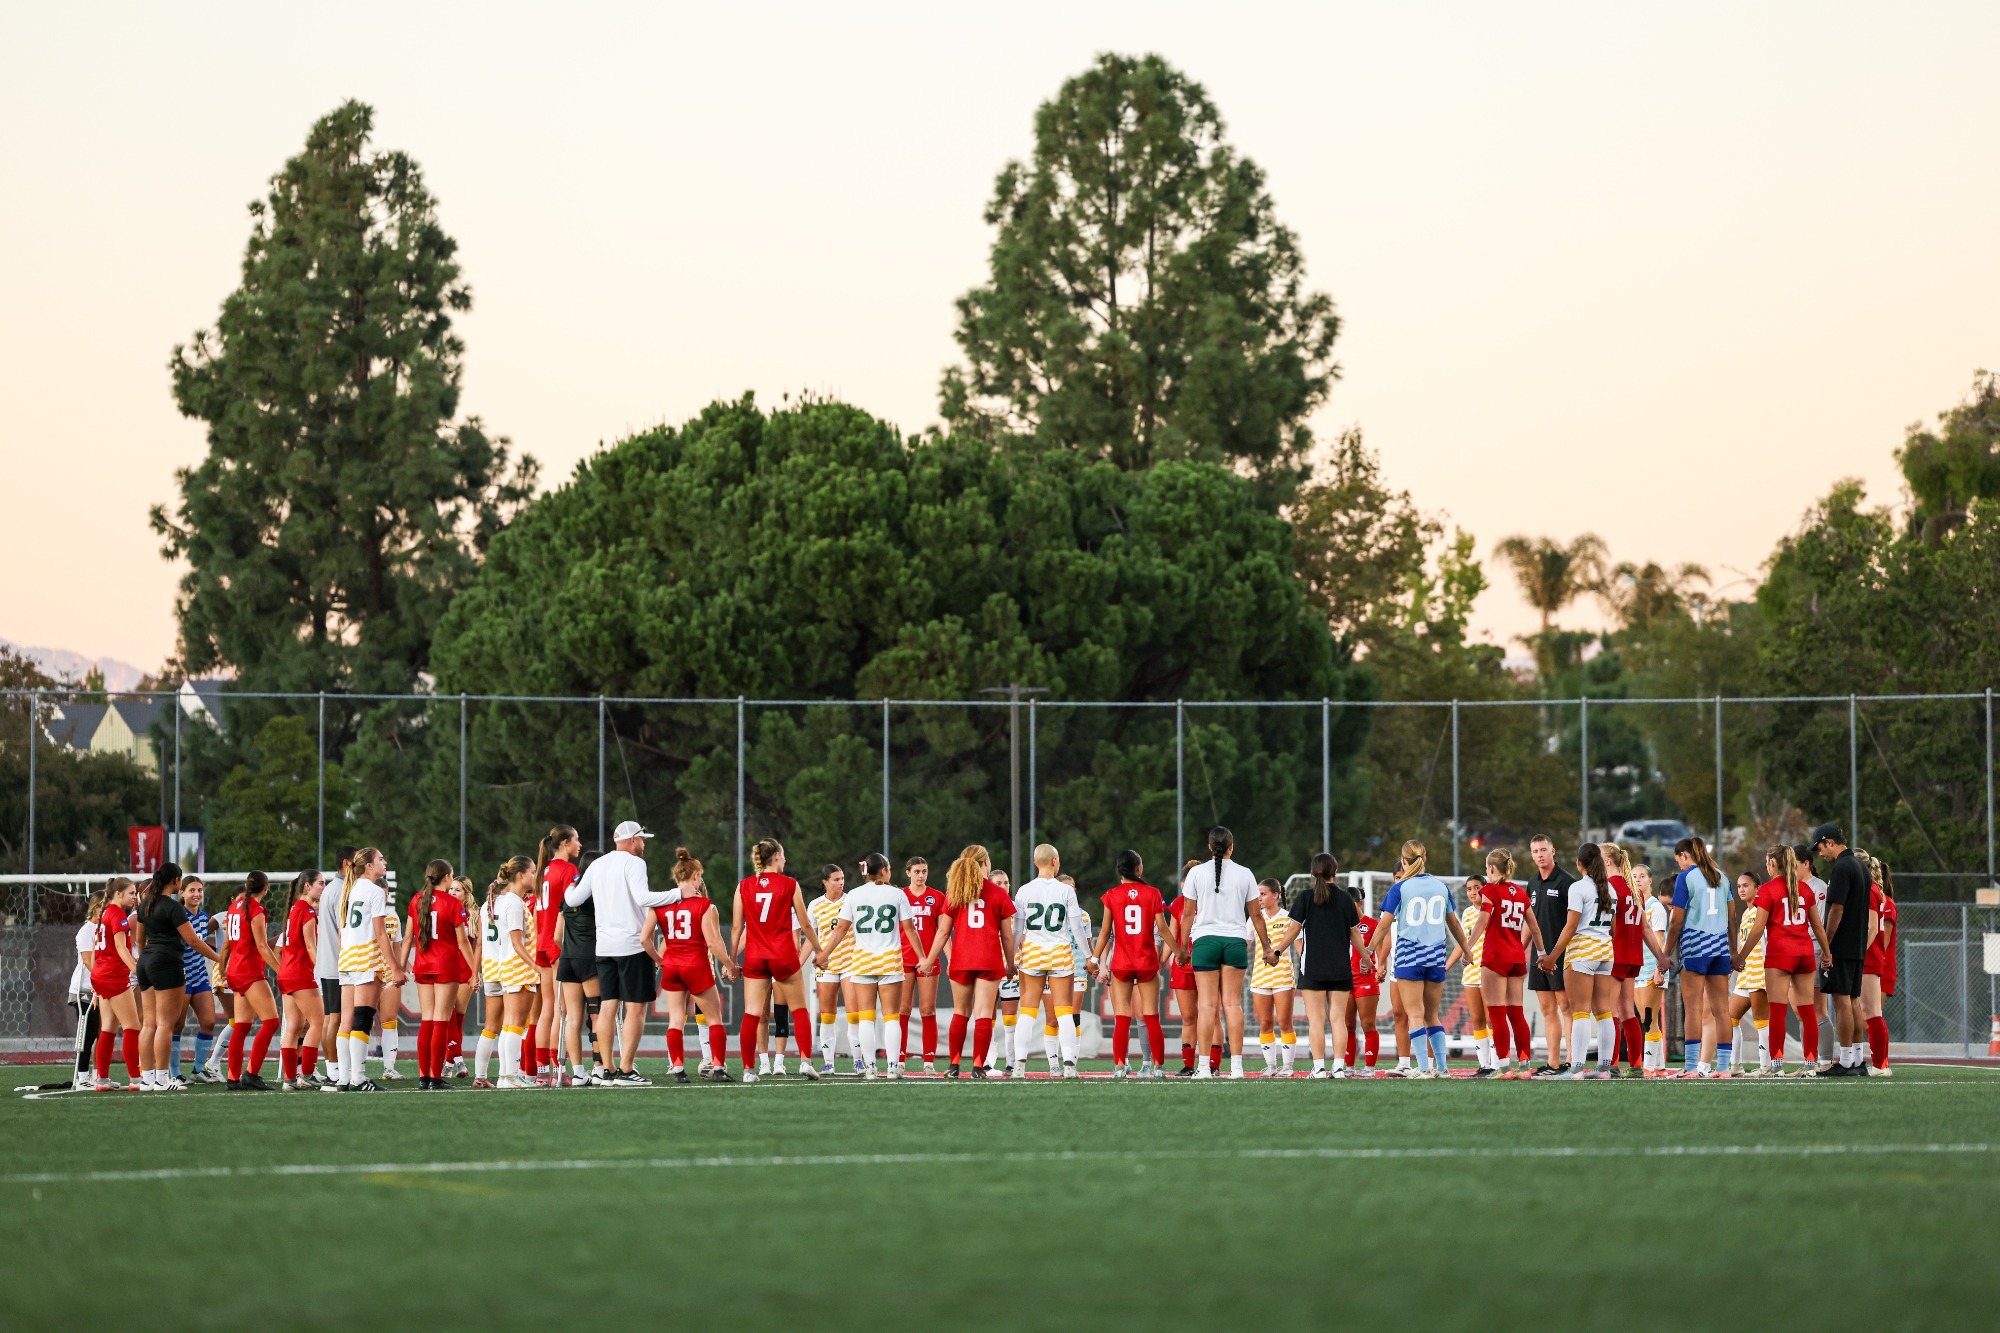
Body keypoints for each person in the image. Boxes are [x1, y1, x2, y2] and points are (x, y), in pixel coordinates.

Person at [565, 821, 681, 1085]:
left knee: (607, 1007)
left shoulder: (597, 864)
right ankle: (626, 1070)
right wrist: (677, 893)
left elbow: (573, 900)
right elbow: (642, 898)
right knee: (636, 1009)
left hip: (604, 947)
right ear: (631, 840)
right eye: (641, 839)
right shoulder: (634, 863)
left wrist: (569, 886)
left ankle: (606, 1069)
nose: (643, 844)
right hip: (631, 946)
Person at [1177, 826, 1274, 1080]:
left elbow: (1188, 914)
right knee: (1232, 1004)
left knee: (1207, 1006)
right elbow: (1256, 915)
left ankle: (1203, 1068)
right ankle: (1237, 1068)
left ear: (1210, 847)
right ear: (1232, 846)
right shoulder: (1246, 874)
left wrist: (1181, 948)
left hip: (1205, 941)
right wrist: (1266, 947)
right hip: (1235, 942)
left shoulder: (1196, 873)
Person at [1372, 840, 1471, 1079]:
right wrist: (1467, 950)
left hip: (1409, 956)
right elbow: (1454, 924)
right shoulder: (1440, 886)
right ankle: (1442, 1068)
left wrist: (1368, 950)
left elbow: (1384, 924)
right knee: (1432, 1015)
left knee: (1414, 1014)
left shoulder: (1400, 888)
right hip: (1436, 956)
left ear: (1403, 861)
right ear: (1424, 858)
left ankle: (1423, 1069)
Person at [1268, 852, 1369, 1077]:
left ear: (1313, 872)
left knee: (1316, 1020)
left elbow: (1292, 930)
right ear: (1336, 871)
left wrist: (1276, 952)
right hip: (1340, 966)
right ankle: (1340, 1067)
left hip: (1312, 966)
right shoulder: (1345, 899)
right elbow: (1355, 934)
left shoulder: (1305, 897)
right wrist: (1367, 958)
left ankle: (1319, 1068)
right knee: (1338, 1020)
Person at [1735, 844, 1830, 1079]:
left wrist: (1740, 956)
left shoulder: (1767, 890)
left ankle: (1776, 1065)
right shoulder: (1805, 889)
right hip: (1805, 952)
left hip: (1780, 954)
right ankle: (1810, 1065)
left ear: (1772, 863)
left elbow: (1757, 929)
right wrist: (1827, 953)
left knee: (1777, 1011)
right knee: (1808, 1010)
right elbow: (1817, 926)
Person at [923, 845, 1018, 1079]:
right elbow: (1007, 935)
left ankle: (954, 1066)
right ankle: (978, 1067)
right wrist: (1011, 963)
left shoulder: (956, 892)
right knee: (984, 1013)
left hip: (962, 959)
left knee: (960, 1012)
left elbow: (943, 932)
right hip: (989, 958)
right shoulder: (998, 893)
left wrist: (929, 960)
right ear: (985, 863)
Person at [822, 853, 920, 1080]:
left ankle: (870, 1068)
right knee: (891, 1017)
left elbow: (841, 929)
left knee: (866, 1018)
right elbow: (910, 930)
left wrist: (824, 953)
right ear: (884, 870)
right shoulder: (897, 894)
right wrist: (922, 958)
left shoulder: (854, 895)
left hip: (863, 962)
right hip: (889, 962)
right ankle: (894, 1067)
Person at [648, 847, 739, 1083]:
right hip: (696, 964)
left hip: (673, 965)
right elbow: (713, 941)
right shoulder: (704, 905)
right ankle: (717, 1066)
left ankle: (677, 1068)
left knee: (676, 1019)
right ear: (696, 875)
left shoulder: (661, 904)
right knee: (714, 1018)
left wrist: (659, 961)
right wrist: (730, 964)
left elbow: (645, 938)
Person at [732, 838, 821, 1080]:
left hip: (755, 956)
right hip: (782, 955)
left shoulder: (744, 886)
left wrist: (731, 961)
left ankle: (749, 1070)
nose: (786, 859)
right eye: (783, 855)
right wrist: (819, 951)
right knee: (799, 1010)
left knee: (751, 1013)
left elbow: (737, 928)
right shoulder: (790, 884)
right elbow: (805, 924)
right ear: (777, 857)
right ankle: (805, 1061)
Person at [132, 863, 222, 1090]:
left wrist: (147, 960)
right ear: (176, 882)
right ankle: (163, 1078)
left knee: (149, 1025)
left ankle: (147, 1078)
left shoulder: (145, 905)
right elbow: (193, 941)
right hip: (167, 964)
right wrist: (220, 959)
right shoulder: (173, 908)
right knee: (165, 1024)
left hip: (146, 963)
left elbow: (139, 941)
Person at [1534, 843, 1619, 1078]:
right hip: (1605, 952)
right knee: (1604, 1012)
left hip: (1582, 954)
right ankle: (1604, 1069)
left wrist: (1552, 957)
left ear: (1579, 863)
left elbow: (1571, 927)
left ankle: (1576, 1069)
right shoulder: (1611, 890)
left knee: (1580, 1012)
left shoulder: (1578, 888)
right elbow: (1613, 928)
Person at [1010, 844, 1092, 1078]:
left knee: (1026, 1011)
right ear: (1054, 861)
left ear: (1036, 862)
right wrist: (1089, 957)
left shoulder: (1024, 891)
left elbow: (1017, 930)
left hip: (1033, 955)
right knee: (1065, 1011)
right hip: (1059, 954)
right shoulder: (1066, 891)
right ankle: (1069, 1067)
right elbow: (1076, 928)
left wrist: (1011, 957)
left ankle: (1019, 1067)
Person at [1090, 850, 1172, 1079]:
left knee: (1122, 1017)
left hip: (1122, 963)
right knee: (1151, 1016)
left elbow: (1106, 932)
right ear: (1138, 869)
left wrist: (1095, 960)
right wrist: (1179, 952)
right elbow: (1163, 929)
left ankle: (1119, 1068)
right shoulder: (1153, 893)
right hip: (1146, 963)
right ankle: (1158, 1068)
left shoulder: (1112, 895)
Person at [327, 847, 400, 1093]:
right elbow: (381, 933)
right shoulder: (375, 891)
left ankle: (343, 1079)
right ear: (369, 865)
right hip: (366, 960)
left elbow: (341, 932)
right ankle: (358, 1078)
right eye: (381, 859)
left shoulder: (351, 889)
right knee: (362, 1019)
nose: (385, 861)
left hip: (347, 959)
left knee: (346, 1021)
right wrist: (395, 968)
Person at [1468, 847, 1541, 1078]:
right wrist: (1543, 953)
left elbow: (1482, 922)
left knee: (1497, 1012)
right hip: (1517, 957)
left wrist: (1466, 947)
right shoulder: (1520, 892)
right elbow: (1535, 928)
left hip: (1496, 957)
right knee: (1516, 1013)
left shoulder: (1489, 890)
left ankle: (1502, 1066)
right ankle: (1524, 1065)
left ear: (1490, 868)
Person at [1662, 835, 1729, 1076]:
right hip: (1720, 948)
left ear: (1683, 855)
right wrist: (1735, 953)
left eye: (1678, 860)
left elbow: (1676, 920)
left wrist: (1665, 953)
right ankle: (1723, 1068)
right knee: (1722, 1010)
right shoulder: (1723, 877)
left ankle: (1691, 1066)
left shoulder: (1686, 877)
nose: (1678, 865)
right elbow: (1731, 918)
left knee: (1693, 1009)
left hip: (1695, 948)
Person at [1808, 823, 1872, 1075]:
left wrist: (1827, 946)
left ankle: (1845, 1061)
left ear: (1830, 842)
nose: (1820, 853)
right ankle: (1856, 1059)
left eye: (1820, 847)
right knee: (1853, 1000)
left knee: (1841, 1000)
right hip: (1856, 945)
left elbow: (1836, 909)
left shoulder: (1843, 867)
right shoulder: (1860, 866)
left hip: (1841, 946)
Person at [404, 859, 474, 1090]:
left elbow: (408, 939)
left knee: (427, 1020)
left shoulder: (416, 900)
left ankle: (424, 1077)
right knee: (442, 1021)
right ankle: (435, 1078)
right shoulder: (452, 903)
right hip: (446, 966)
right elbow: (463, 942)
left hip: (423, 966)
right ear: (446, 878)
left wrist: (399, 967)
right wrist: (474, 971)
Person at [1606, 843, 1669, 1074]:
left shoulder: (1611, 887)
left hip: (1615, 955)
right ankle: (1635, 1065)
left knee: (1609, 1011)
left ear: (1606, 862)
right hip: (1634, 957)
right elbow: (1644, 928)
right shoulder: (1635, 891)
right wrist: (1660, 956)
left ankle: (1611, 1066)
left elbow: (1610, 925)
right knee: (1627, 1012)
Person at [217, 872, 283, 1090]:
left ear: (247, 886)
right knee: (271, 1022)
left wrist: (223, 968)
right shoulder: (256, 910)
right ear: (266, 889)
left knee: (242, 1026)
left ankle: (233, 1078)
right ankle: (251, 1074)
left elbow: (226, 944)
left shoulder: (234, 907)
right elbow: (263, 946)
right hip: (249, 972)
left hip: (235, 971)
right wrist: (281, 970)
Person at [527, 825, 582, 1084]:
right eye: (576, 840)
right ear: (564, 843)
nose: (579, 845)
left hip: (542, 942)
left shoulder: (543, 870)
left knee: (547, 1008)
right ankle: (559, 1068)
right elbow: (575, 906)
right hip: (559, 944)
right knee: (563, 1009)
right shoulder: (568, 870)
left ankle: (542, 1071)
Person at [1523, 835, 1575, 1073]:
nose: (1540, 855)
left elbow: (1574, 923)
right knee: (1547, 1009)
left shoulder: (1566, 882)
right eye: (1535, 851)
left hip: (1562, 955)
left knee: (1566, 1007)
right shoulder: (1532, 883)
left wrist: (1557, 953)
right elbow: (1528, 922)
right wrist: (1519, 949)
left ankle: (1572, 1061)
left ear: (1553, 851)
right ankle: (1553, 1063)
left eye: (1543, 850)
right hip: (1539, 956)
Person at [808, 862, 861, 1076]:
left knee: (853, 1013)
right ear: (825, 882)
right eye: (836, 879)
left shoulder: (851, 900)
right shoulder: (815, 905)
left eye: (842, 879)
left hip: (850, 963)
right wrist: (806, 960)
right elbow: (810, 937)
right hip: (827, 966)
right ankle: (828, 1062)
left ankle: (858, 1061)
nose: (840, 883)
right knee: (827, 1014)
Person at [556, 851, 603, 1085]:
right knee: (596, 1014)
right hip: (589, 959)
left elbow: (557, 936)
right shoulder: (597, 896)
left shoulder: (569, 896)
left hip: (567, 959)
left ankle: (577, 1072)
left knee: (572, 1018)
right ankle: (599, 1068)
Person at [90, 878, 141, 1088]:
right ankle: (136, 1080)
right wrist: (137, 970)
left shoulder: (104, 913)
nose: (134, 897)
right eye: (130, 893)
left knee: (109, 1027)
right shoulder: (118, 914)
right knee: (133, 1026)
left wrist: (96, 980)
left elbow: (96, 950)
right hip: (112, 975)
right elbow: (121, 948)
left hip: (101, 974)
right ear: (118, 894)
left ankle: (101, 1079)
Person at [277, 870, 325, 1091]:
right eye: (320, 883)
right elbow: (310, 946)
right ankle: (306, 1073)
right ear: (307, 886)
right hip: (300, 974)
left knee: (294, 1027)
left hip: (286, 973)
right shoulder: (306, 909)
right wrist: (323, 969)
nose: (323, 888)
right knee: (317, 1022)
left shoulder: (294, 908)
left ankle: (289, 1079)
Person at [898, 857, 945, 1074]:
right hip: (904, 959)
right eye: (916, 871)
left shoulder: (936, 897)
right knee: (903, 1009)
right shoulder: (900, 896)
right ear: (908, 872)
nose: (921, 875)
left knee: (928, 1010)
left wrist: (950, 958)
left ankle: (928, 1062)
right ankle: (898, 1060)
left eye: (924, 871)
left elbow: (944, 932)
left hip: (929, 960)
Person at [1725, 871, 1774, 1076]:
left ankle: (1766, 1066)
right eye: (1739, 886)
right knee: (1731, 1017)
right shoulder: (1746, 913)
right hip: (1745, 973)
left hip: (1759, 971)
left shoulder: (1763, 911)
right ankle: (1735, 1066)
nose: (1742, 889)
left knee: (1761, 1020)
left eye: (1746, 885)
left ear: (1757, 888)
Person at [1249, 877, 1299, 1076]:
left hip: (1283, 976)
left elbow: (1299, 946)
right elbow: (1245, 944)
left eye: (1263, 894)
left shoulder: (1289, 918)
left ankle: (1287, 1067)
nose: (1259, 898)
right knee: (1265, 1023)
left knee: (1285, 1023)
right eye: (1257, 894)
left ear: (1275, 895)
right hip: (1260, 977)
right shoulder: (1253, 918)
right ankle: (1271, 1066)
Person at [315, 846, 356, 1083]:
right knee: (336, 1019)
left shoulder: (331, 888)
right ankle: (335, 1071)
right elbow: (344, 931)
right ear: (347, 863)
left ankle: (333, 1070)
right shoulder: (342, 890)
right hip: (339, 965)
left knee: (331, 1018)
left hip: (328, 963)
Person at [1445, 874, 1492, 1075]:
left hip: (1490, 971)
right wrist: (1446, 967)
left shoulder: (1493, 910)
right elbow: (1463, 944)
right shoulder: (1466, 913)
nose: (1473, 892)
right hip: (1471, 972)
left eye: (1477, 888)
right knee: (1477, 1020)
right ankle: (1484, 1065)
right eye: (1469, 889)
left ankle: (1498, 1064)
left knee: (1493, 1020)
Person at [177, 877, 220, 1084]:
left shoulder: (204, 918)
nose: (196, 894)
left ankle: (197, 1070)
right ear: (182, 893)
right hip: (181, 977)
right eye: (192, 890)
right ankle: (175, 1073)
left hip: (200, 975)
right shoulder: (178, 916)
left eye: (200, 890)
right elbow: (193, 943)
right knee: (177, 1025)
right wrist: (222, 960)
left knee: (209, 1022)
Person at [1631, 866, 1672, 1075]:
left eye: (1642, 876)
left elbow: (1660, 941)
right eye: (1634, 876)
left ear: (1650, 880)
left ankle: (1647, 1068)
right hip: (1638, 971)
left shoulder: (1654, 907)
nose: (1638, 879)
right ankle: (1660, 1067)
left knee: (1649, 1019)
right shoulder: (1633, 906)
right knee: (1646, 1019)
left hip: (1652, 971)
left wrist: (1659, 970)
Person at [1862, 854, 1897, 1074]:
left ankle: (1881, 1063)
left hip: (1879, 964)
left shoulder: (1884, 902)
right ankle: (1880, 1063)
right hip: (1876, 961)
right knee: (1871, 1014)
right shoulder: (1877, 897)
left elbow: (1882, 940)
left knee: (1873, 1013)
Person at [66, 889, 105, 1091]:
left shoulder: (104, 929)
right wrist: (102, 980)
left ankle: (98, 1075)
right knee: (87, 1034)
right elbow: (89, 962)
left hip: (100, 988)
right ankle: (82, 1077)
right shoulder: (86, 931)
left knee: (100, 1033)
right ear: (98, 908)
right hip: (84, 988)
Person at [1167, 861, 1201, 1076]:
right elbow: (1171, 935)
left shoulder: (1210, 901)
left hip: (1206, 961)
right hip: (1182, 964)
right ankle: (1188, 1065)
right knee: (1188, 1017)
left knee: (1212, 1015)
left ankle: (1213, 1064)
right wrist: (1160, 961)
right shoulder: (1178, 904)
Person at [1349, 888, 1383, 1073]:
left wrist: (1381, 966)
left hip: (1365, 980)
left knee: (1367, 1023)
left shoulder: (1371, 924)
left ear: (1359, 902)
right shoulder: (1339, 925)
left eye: (1351, 904)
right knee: (1347, 1025)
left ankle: (1369, 1067)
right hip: (1344, 981)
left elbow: (1383, 946)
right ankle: (1348, 1066)